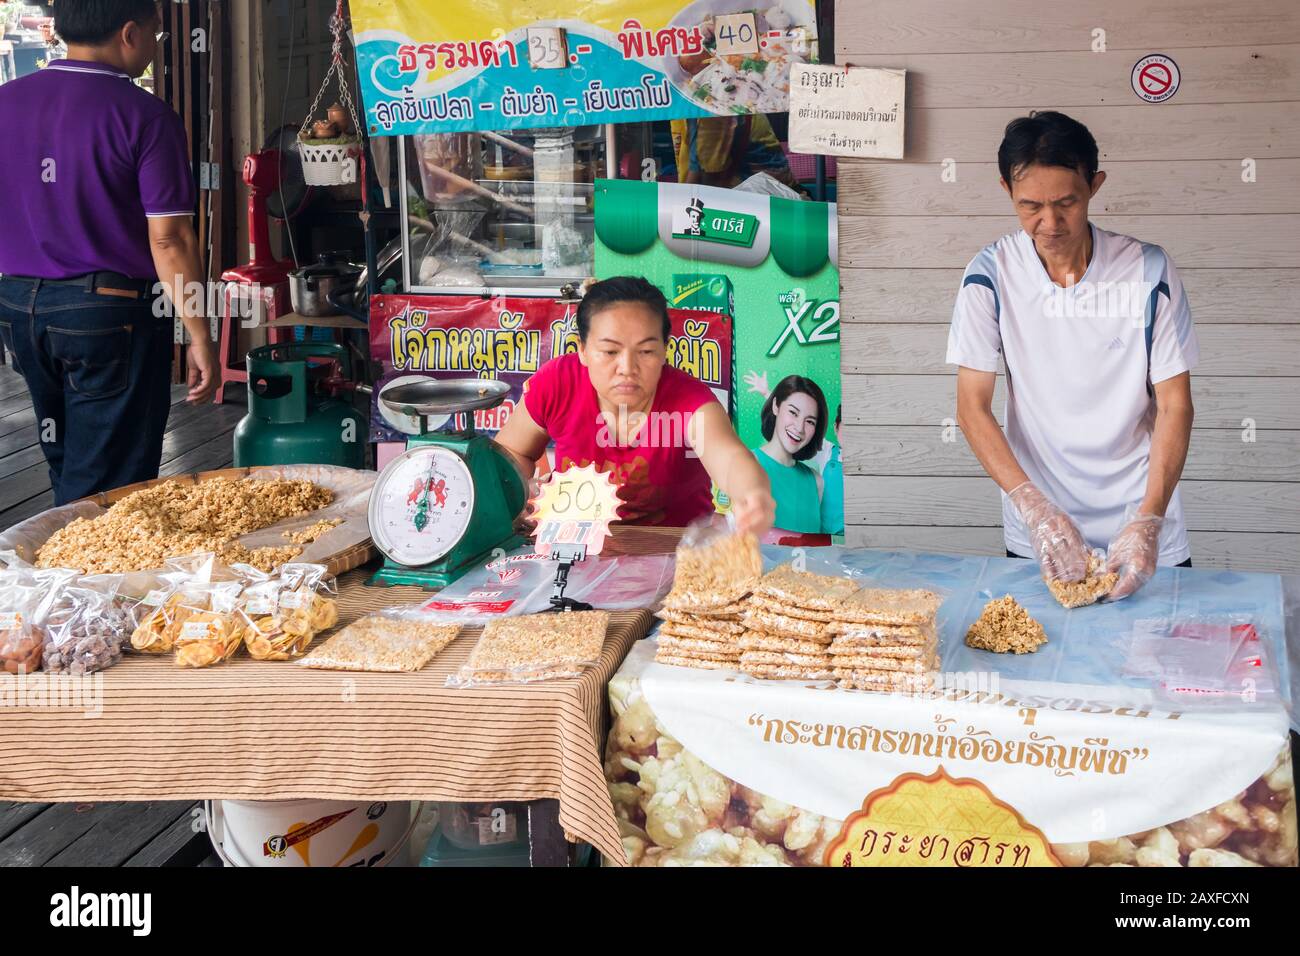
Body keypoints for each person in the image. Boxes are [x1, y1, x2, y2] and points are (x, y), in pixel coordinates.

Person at [948, 111, 1197, 600]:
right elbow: (970, 406)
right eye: (1030, 206)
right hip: (1041, 528)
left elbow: (1175, 403)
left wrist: (1150, 518)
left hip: (1143, 514)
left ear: (1095, 185)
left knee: (1155, 660)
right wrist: (1033, 508)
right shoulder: (991, 275)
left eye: (1067, 203)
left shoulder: (1149, 269)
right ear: (1006, 190)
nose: (1050, 222)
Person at [0, 1, 215, 506]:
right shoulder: (145, 115)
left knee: (68, 459)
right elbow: (170, 239)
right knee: (109, 486)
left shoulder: (6, 101)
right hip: (107, 315)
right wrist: (200, 332)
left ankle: (60, 568)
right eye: (156, 36)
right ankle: (73, 580)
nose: (153, 48)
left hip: (18, 309)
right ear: (129, 33)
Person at [494, 276, 775, 533]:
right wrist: (518, 494)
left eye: (646, 351)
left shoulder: (690, 400)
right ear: (582, 350)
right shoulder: (557, 383)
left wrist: (752, 494)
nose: (627, 368)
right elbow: (512, 450)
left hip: (676, 554)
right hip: (576, 546)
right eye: (610, 351)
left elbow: (728, 459)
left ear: (665, 350)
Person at [752, 375, 827, 534]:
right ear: (776, 406)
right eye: (793, 412)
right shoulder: (744, 464)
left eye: (810, 421)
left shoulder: (816, 482)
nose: (799, 428)